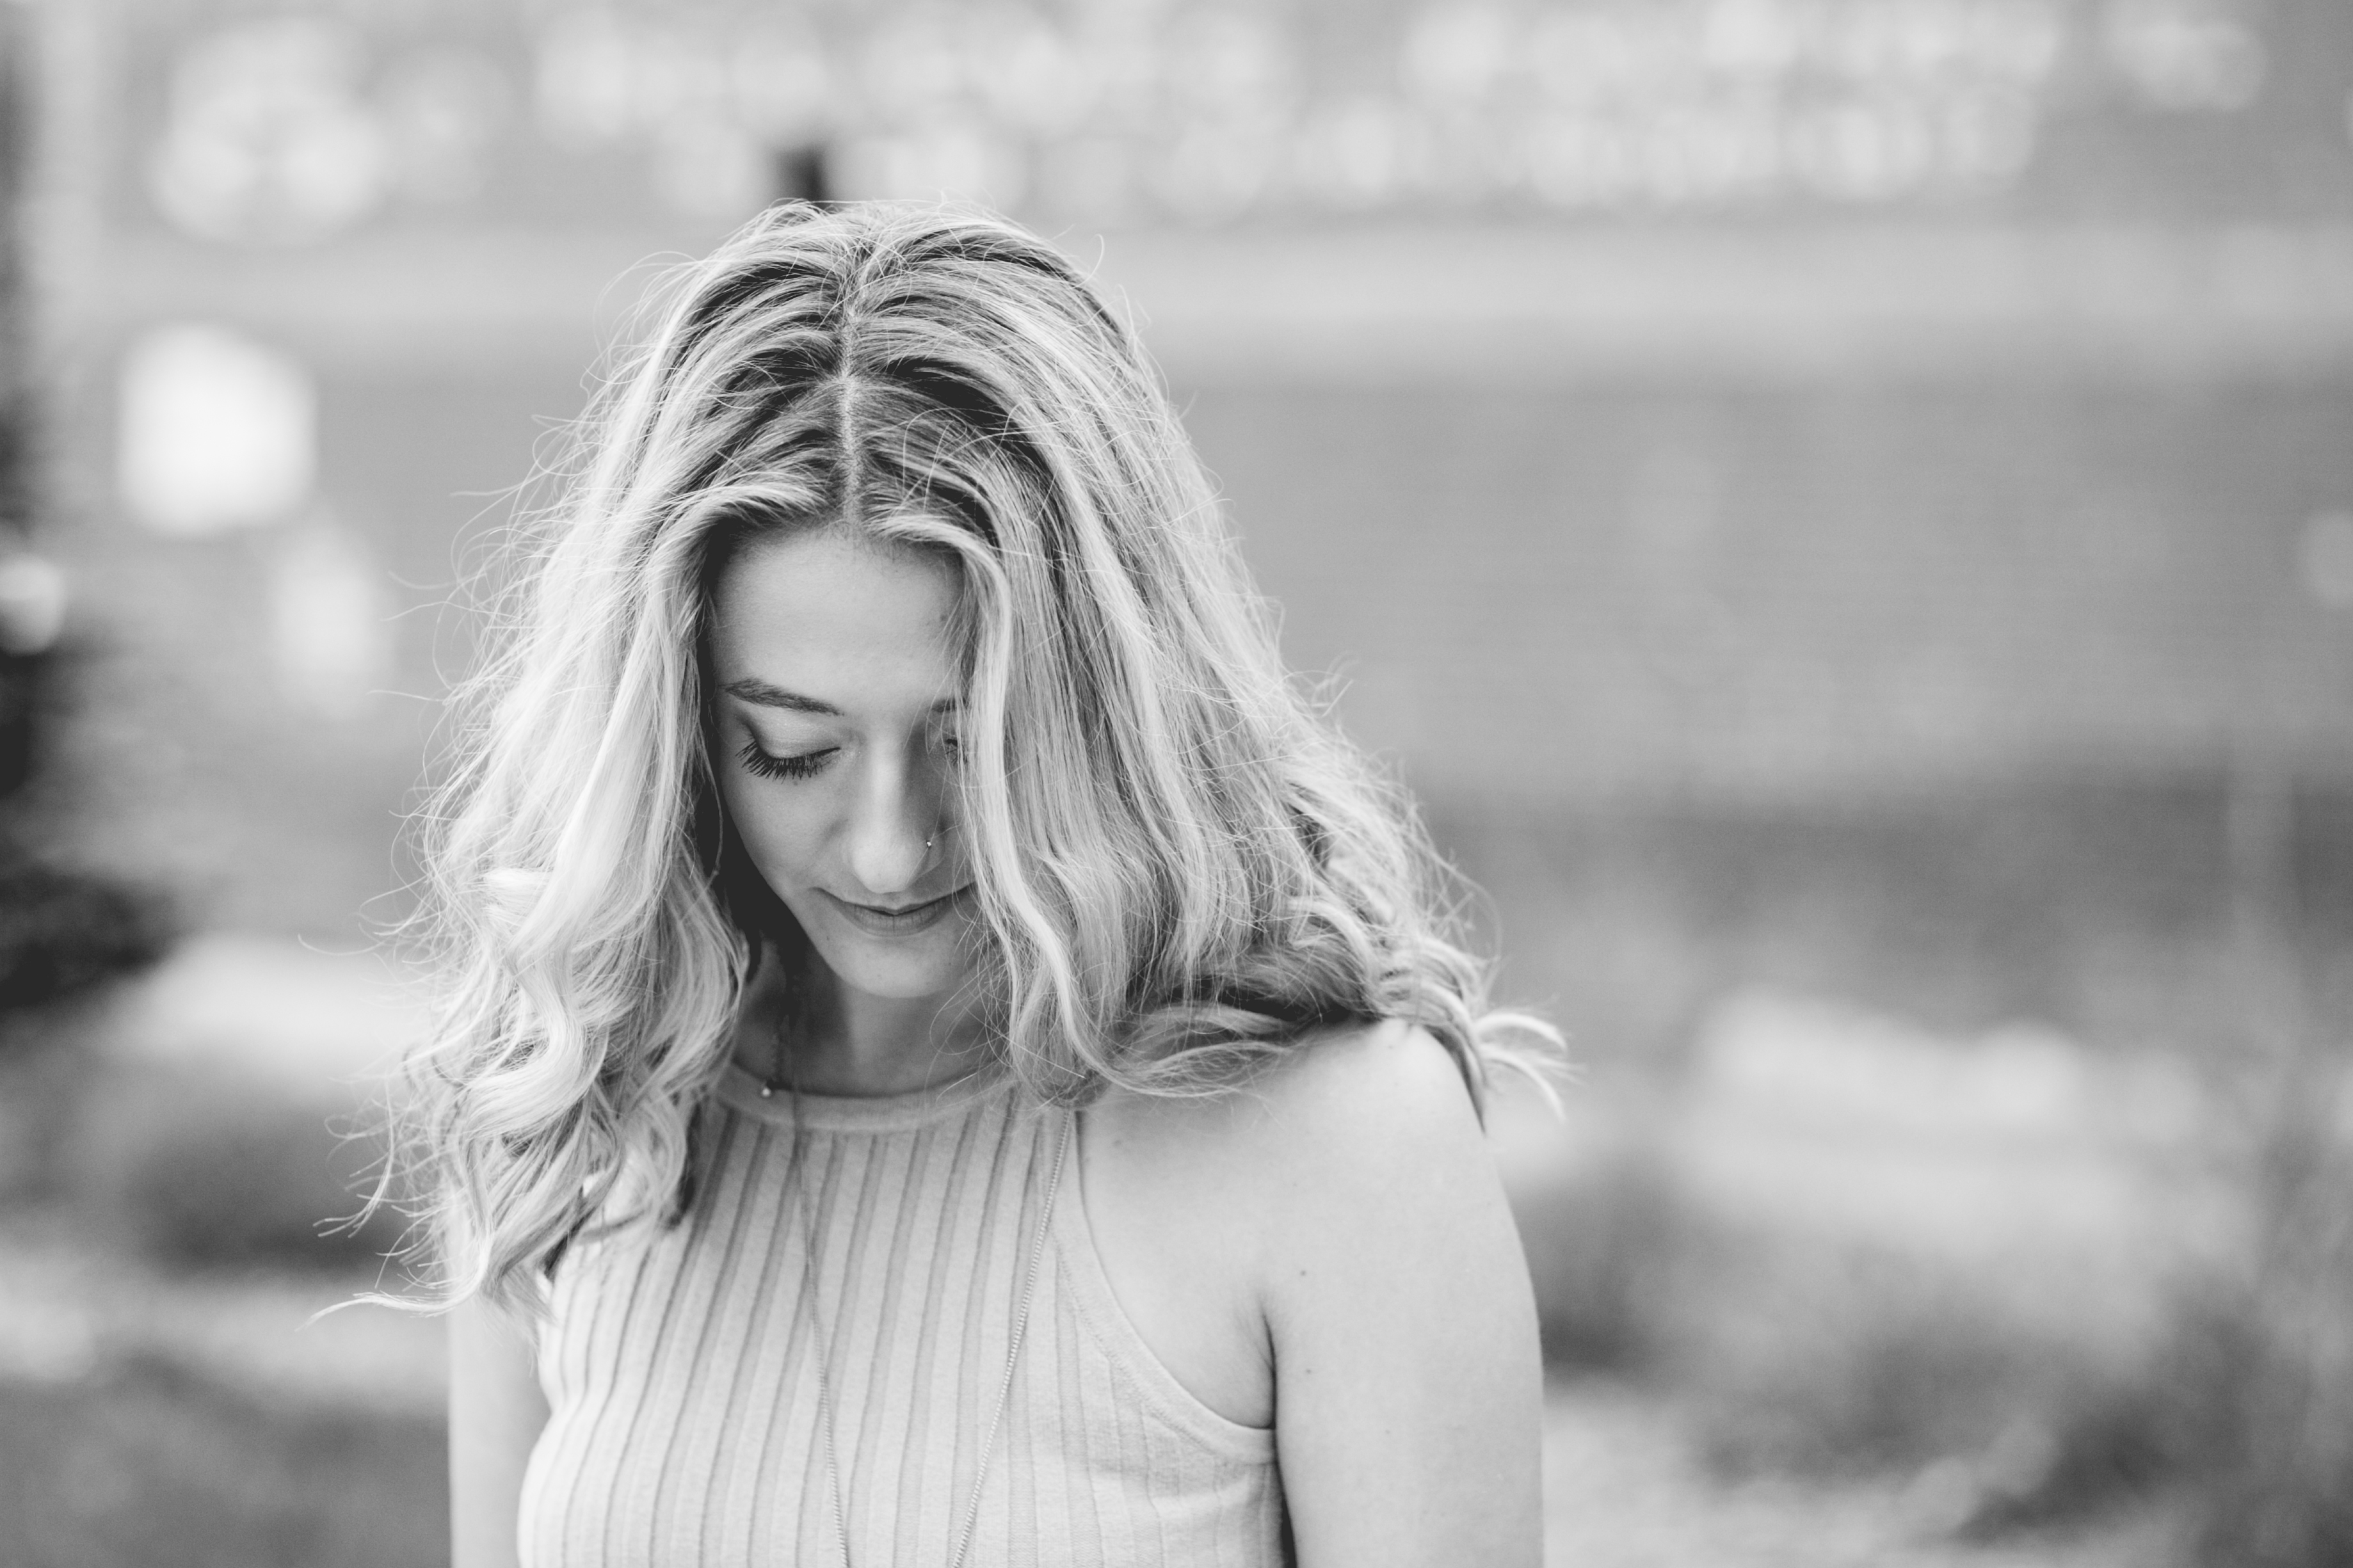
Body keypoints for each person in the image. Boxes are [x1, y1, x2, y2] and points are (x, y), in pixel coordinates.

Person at [405, 202, 1555, 1568]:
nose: (892, 849)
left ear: (1111, 711)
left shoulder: (1337, 1143)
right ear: (671, 730)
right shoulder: (576, 1109)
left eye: (980, 743)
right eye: (793, 749)